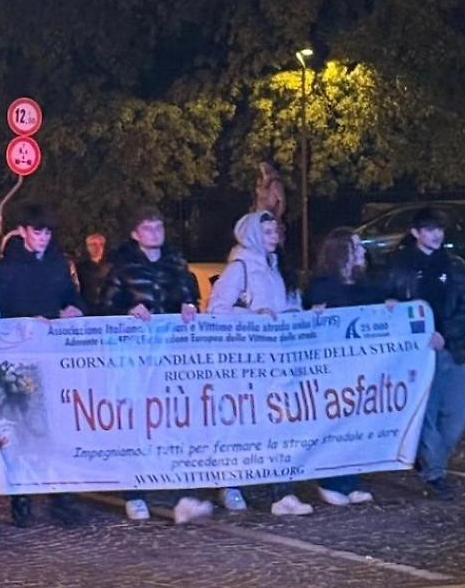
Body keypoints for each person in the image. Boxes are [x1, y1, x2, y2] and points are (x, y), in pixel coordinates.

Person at [100, 206, 201, 523]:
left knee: (174, 426)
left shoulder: (177, 264)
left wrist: (189, 306)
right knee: (137, 426)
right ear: (135, 234)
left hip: (170, 359)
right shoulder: (122, 268)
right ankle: (134, 493)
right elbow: (103, 306)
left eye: (159, 227)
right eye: (148, 228)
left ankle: (179, 495)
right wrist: (129, 310)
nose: (155, 233)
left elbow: (190, 296)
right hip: (135, 359)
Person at [0, 204, 85, 527]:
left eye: (47, 232)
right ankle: (22, 500)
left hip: (53, 357)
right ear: (24, 232)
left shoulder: (59, 265)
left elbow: (72, 297)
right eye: (37, 232)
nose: (43, 238)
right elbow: (0, 313)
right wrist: (25, 323)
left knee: (57, 428)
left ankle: (60, 498)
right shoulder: (4, 269)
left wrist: (73, 308)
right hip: (20, 361)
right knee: (23, 430)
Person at [208, 210, 305, 515]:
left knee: (280, 424)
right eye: (266, 232)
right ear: (251, 235)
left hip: (277, 361)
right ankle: (230, 484)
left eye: (275, 230)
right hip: (246, 364)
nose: (274, 236)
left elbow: (291, 306)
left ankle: (283, 493)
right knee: (241, 425)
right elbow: (217, 310)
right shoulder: (240, 269)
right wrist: (253, 318)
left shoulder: (279, 268)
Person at [385, 207, 465, 501]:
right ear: (416, 233)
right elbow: (387, 303)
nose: (437, 235)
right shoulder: (399, 265)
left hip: (450, 351)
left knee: (460, 407)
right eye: (430, 229)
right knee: (426, 414)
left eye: (440, 229)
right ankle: (435, 471)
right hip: (416, 356)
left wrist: (447, 336)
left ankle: (429, 460)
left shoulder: (456, 267)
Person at [304, 227, 386, 506]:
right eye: (357, 246)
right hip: (331, 369)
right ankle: (330, 481)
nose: (363, 251)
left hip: (362, 368)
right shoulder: (323, 285)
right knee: (335, 424)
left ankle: (351, 481)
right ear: (343, 252)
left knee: (356, 425)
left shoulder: (367, 285)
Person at [75, 233, 111, 315]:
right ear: (87, 247)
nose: (97, 247)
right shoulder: (79, 267)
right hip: (88, 310)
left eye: (100, 244)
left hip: (109, 310)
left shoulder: (113, 266)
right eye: (93, 244)